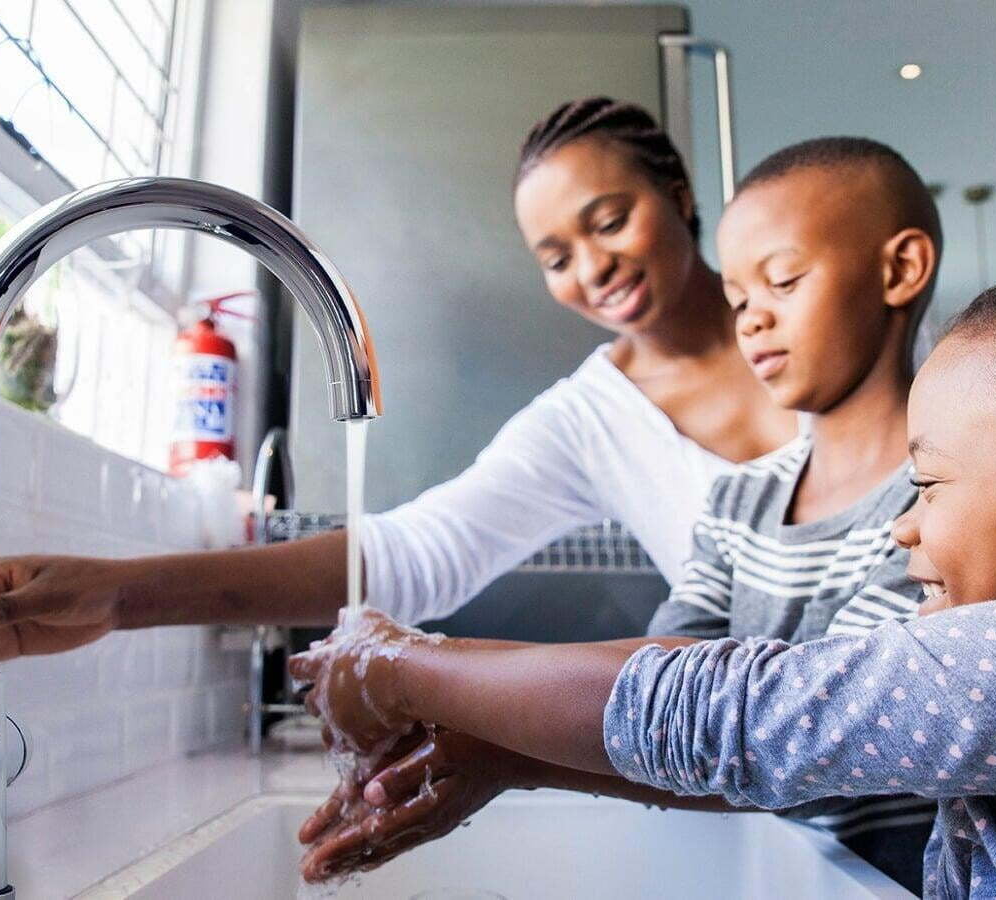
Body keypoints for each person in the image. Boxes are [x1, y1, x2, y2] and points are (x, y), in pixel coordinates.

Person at [295, 219, 996, 896]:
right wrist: (511, 756)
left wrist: (399, 663)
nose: (903, 526)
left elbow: (731, 712)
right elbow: (804, 755)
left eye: (929, 485)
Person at [294, 137, 945, 890]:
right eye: (738, 298)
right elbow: (668, 697)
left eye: (784, 282)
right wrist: (503, 755)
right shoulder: (740, 504)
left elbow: (792, 731)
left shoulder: (944, 504)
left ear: (900, 270)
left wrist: (410, 669)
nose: (753, 321)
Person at [0, 96, 796, 658]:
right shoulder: (586, 423)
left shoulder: (807, 311)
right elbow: (412, 554)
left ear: (679, 195)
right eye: (556, 258)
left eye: (610, 221)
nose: (594, 268)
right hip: (805, 788)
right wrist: (123, 596)